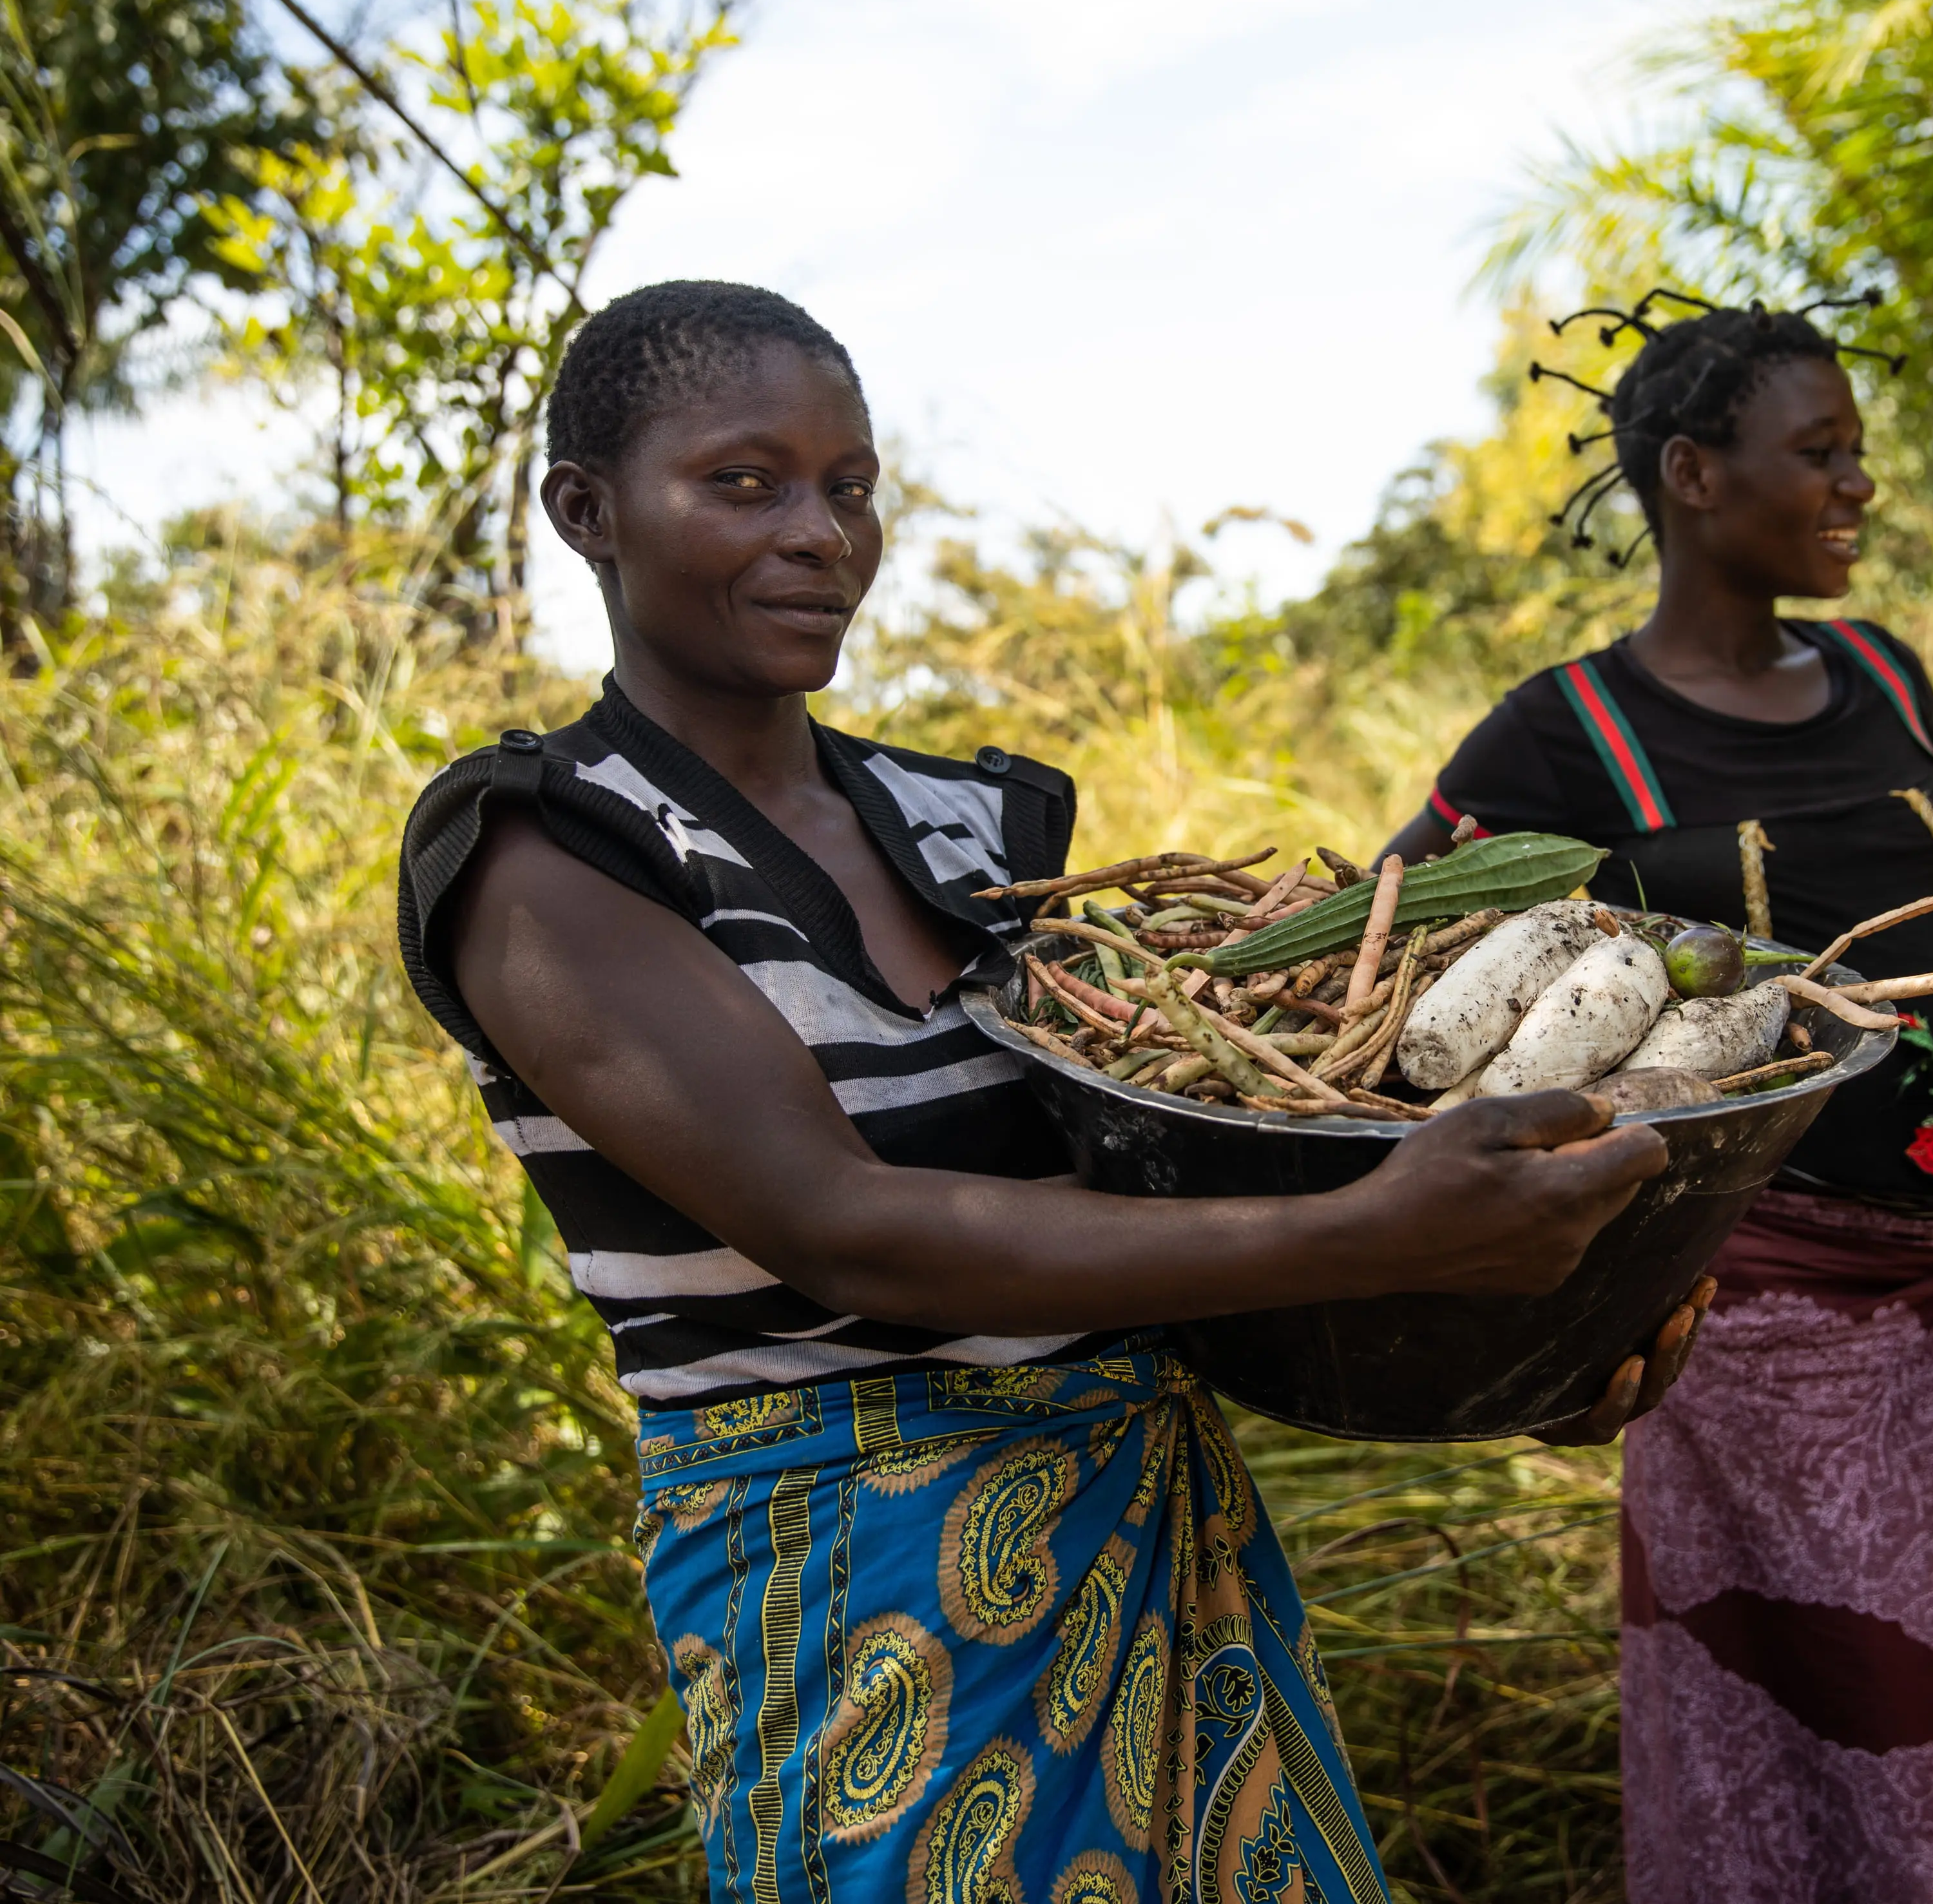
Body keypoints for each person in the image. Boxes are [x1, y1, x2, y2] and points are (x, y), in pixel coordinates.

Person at [394, 282, 1690, 1904]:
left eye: (849, 486)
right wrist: (1385, 1238)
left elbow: (1166, 1215)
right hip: (862, 1602)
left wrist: (1504, 1352)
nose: (820, 534)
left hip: (1155, 1546)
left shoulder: (972, 830)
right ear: (584, 512)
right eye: (744, 483)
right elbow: (845, 1232)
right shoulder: (542, 848)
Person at [1381, 292, 1933, 1902]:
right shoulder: (1571, 736)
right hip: (1758, 1333)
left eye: (1859, 451)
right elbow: (1379, 965)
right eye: (1822, 452)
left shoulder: (1883, 679)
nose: (1858, 485)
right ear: (1693, 476)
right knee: (1859, 1737)